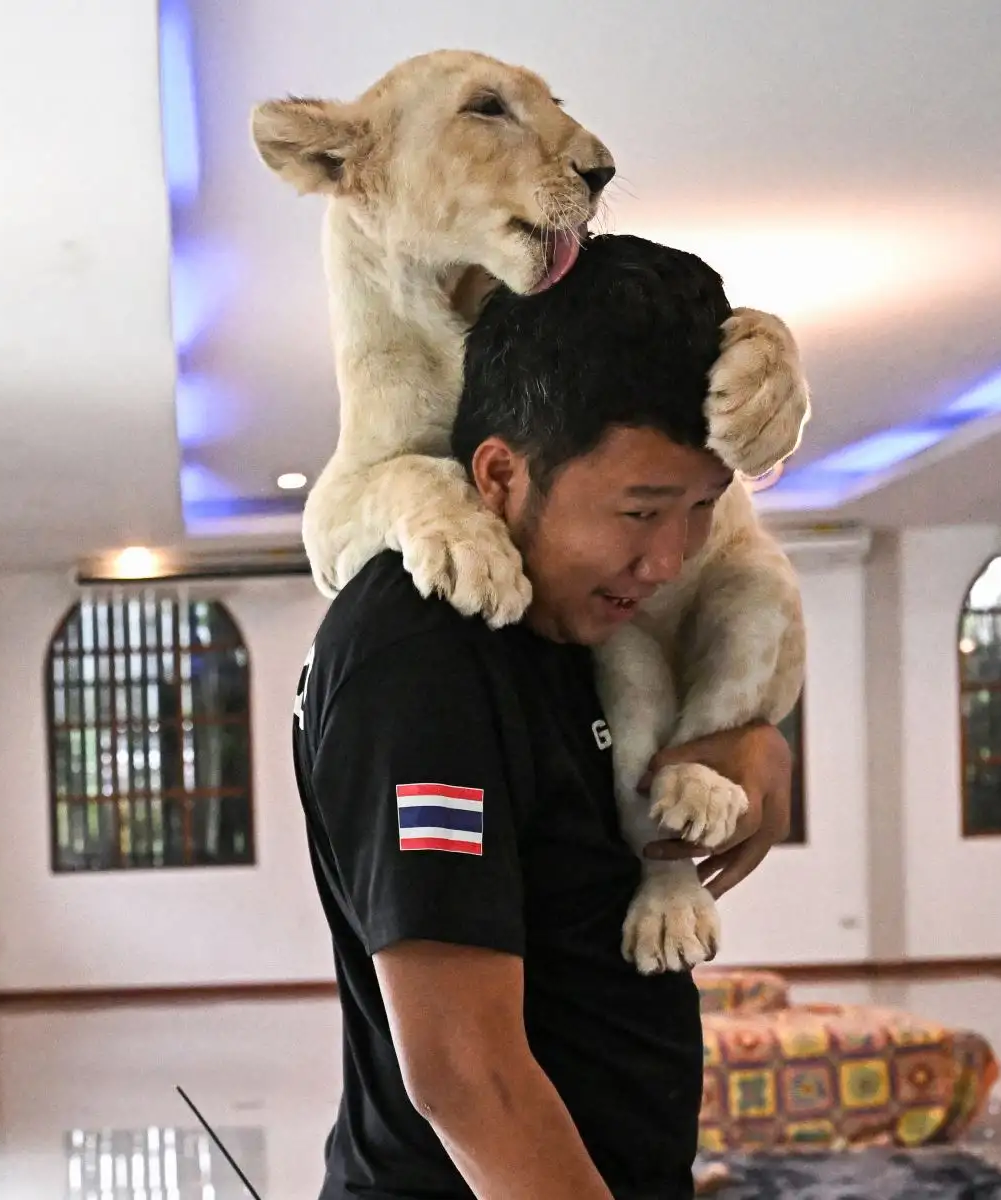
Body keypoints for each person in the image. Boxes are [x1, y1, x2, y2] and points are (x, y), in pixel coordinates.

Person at [291, 233, 795, 1200]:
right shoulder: (425, 651)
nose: (671, 560)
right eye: (641, 511)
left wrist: (752, 734)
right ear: (498, 476)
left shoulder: (569, 620)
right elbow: (464, 1072)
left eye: (702, 508)